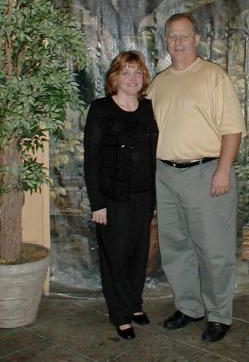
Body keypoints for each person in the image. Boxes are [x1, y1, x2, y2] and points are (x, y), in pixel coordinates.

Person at [147, 13, 246, 343]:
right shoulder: (159, 83)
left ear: (196, 38)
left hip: (206, 173)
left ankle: (219, 315)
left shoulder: (213, 77)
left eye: (184, 36)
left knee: (214, 250)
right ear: (165, 41)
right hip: (166, 175)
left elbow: (232, 129)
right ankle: (189, 307)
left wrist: (223, 169)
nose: (178, 42)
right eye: (172, 37)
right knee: (176, 248)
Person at [84, 50, 158, 340]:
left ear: (144, 78)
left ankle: (134, 304)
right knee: (115, 255)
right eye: (126, 72)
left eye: (137, 72)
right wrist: (97, 203)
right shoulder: (101, 109)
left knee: (139, 255)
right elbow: (91, 161)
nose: (132, 78)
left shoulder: (149, 108)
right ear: (115, 77)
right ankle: (119, 313)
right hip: (112, 199)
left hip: (144, 196)